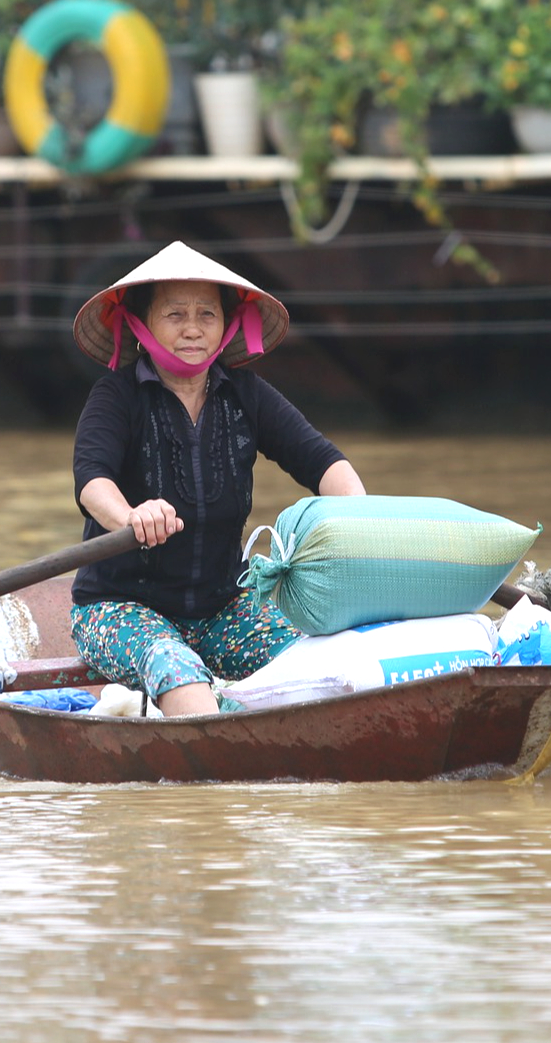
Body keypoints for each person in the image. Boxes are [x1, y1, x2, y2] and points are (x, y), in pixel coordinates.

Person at [68, 241, 366, 716]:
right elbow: (91, 481)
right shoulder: (116, 396)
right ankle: (216, 772)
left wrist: (360, 514)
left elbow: (323, 462)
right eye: (175, 315)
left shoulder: (245, 394)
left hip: (222, 608)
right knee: (176, 667)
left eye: (207, 314)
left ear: (227, 326)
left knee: (318, 664)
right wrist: (130, 515)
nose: (192, 329)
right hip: (118, 608)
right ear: (141, 325)